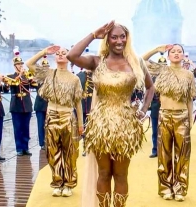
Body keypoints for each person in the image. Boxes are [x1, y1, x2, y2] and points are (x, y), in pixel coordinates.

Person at [67, 20, 155, 207]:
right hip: (101, 125)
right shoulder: (97, 62)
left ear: (127, 38)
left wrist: (144, 110)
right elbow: (72, 55)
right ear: (107, 39)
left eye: (122, 36)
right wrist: (93, 34)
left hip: (126, 126)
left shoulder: (136, 62)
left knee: (121, 174)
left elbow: (151, 87)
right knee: (104, 173)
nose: (118, 41)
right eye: (114, 37)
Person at [142, 44, 196, 201]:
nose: (176, 54)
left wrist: (189, 119)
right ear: (168, 55)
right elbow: (142, 61)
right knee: (164, 154)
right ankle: (165, 187)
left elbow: (189, 99)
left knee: (182, 155)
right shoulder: (161, 70)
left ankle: (180, 188)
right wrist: (155, 49)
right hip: (164, 116)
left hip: (182, 116)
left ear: (183, 55)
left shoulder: (188, 75)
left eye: (179, 52)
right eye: (173, 52)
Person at [27, 45, 84, 197]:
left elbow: (78, 102)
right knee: (52, 152)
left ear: (69, 57)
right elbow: (29, 65)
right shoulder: (48, 74)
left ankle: (69, 184)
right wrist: (43, 52)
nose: (60, 55)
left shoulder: (75, 79)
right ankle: (57, 183)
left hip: (67, 117)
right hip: (51, 115)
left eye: (64, 53)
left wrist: (80, 124)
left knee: (70, 153)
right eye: (58, 53)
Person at [6, 48, 37, 156]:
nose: (20, 66)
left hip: (27, 104)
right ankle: (19, 148)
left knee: (26, 127)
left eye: (21, 64)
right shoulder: (11, 76)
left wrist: (31, 78)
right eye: (18, 64)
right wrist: (20, 75)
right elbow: (13, 84)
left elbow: (35, 85)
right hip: (16, 105)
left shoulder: (26, 75)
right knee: (18, 127)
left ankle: (26, 147)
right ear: (15, 66)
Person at [141, 53, 168, 158]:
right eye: (161, 65)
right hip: (156, 107)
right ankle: (155, 150)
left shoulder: (170, 77)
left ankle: (166, 150)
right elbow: (149, 91)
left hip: (168, 107)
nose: (163, 67)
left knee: (167, 131)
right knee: (155, 131)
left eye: (165, 65)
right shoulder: (152, 78)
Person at [33, 55, 50, 150]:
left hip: (49, 105)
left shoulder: (51, 78)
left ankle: (48, 140)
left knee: (49, 124)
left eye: (47, 67)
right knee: (41, 125)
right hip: (40, 105)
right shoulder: (38, 78)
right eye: (44, 67)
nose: (46, 69)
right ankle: (42, 142)